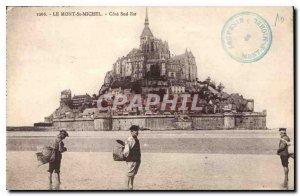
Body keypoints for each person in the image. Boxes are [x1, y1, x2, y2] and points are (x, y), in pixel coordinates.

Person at [123, 125, 141, 190]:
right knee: (129, 174)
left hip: (136, 160)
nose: (137, 132)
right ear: (131, 132)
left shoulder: (136, 139)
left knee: (132, 174)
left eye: (137, 131)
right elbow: (126, 151)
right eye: (135, 131)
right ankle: (126, 188)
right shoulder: (130, 140)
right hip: (132, 160)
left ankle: (131, 187)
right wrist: (127, 157)